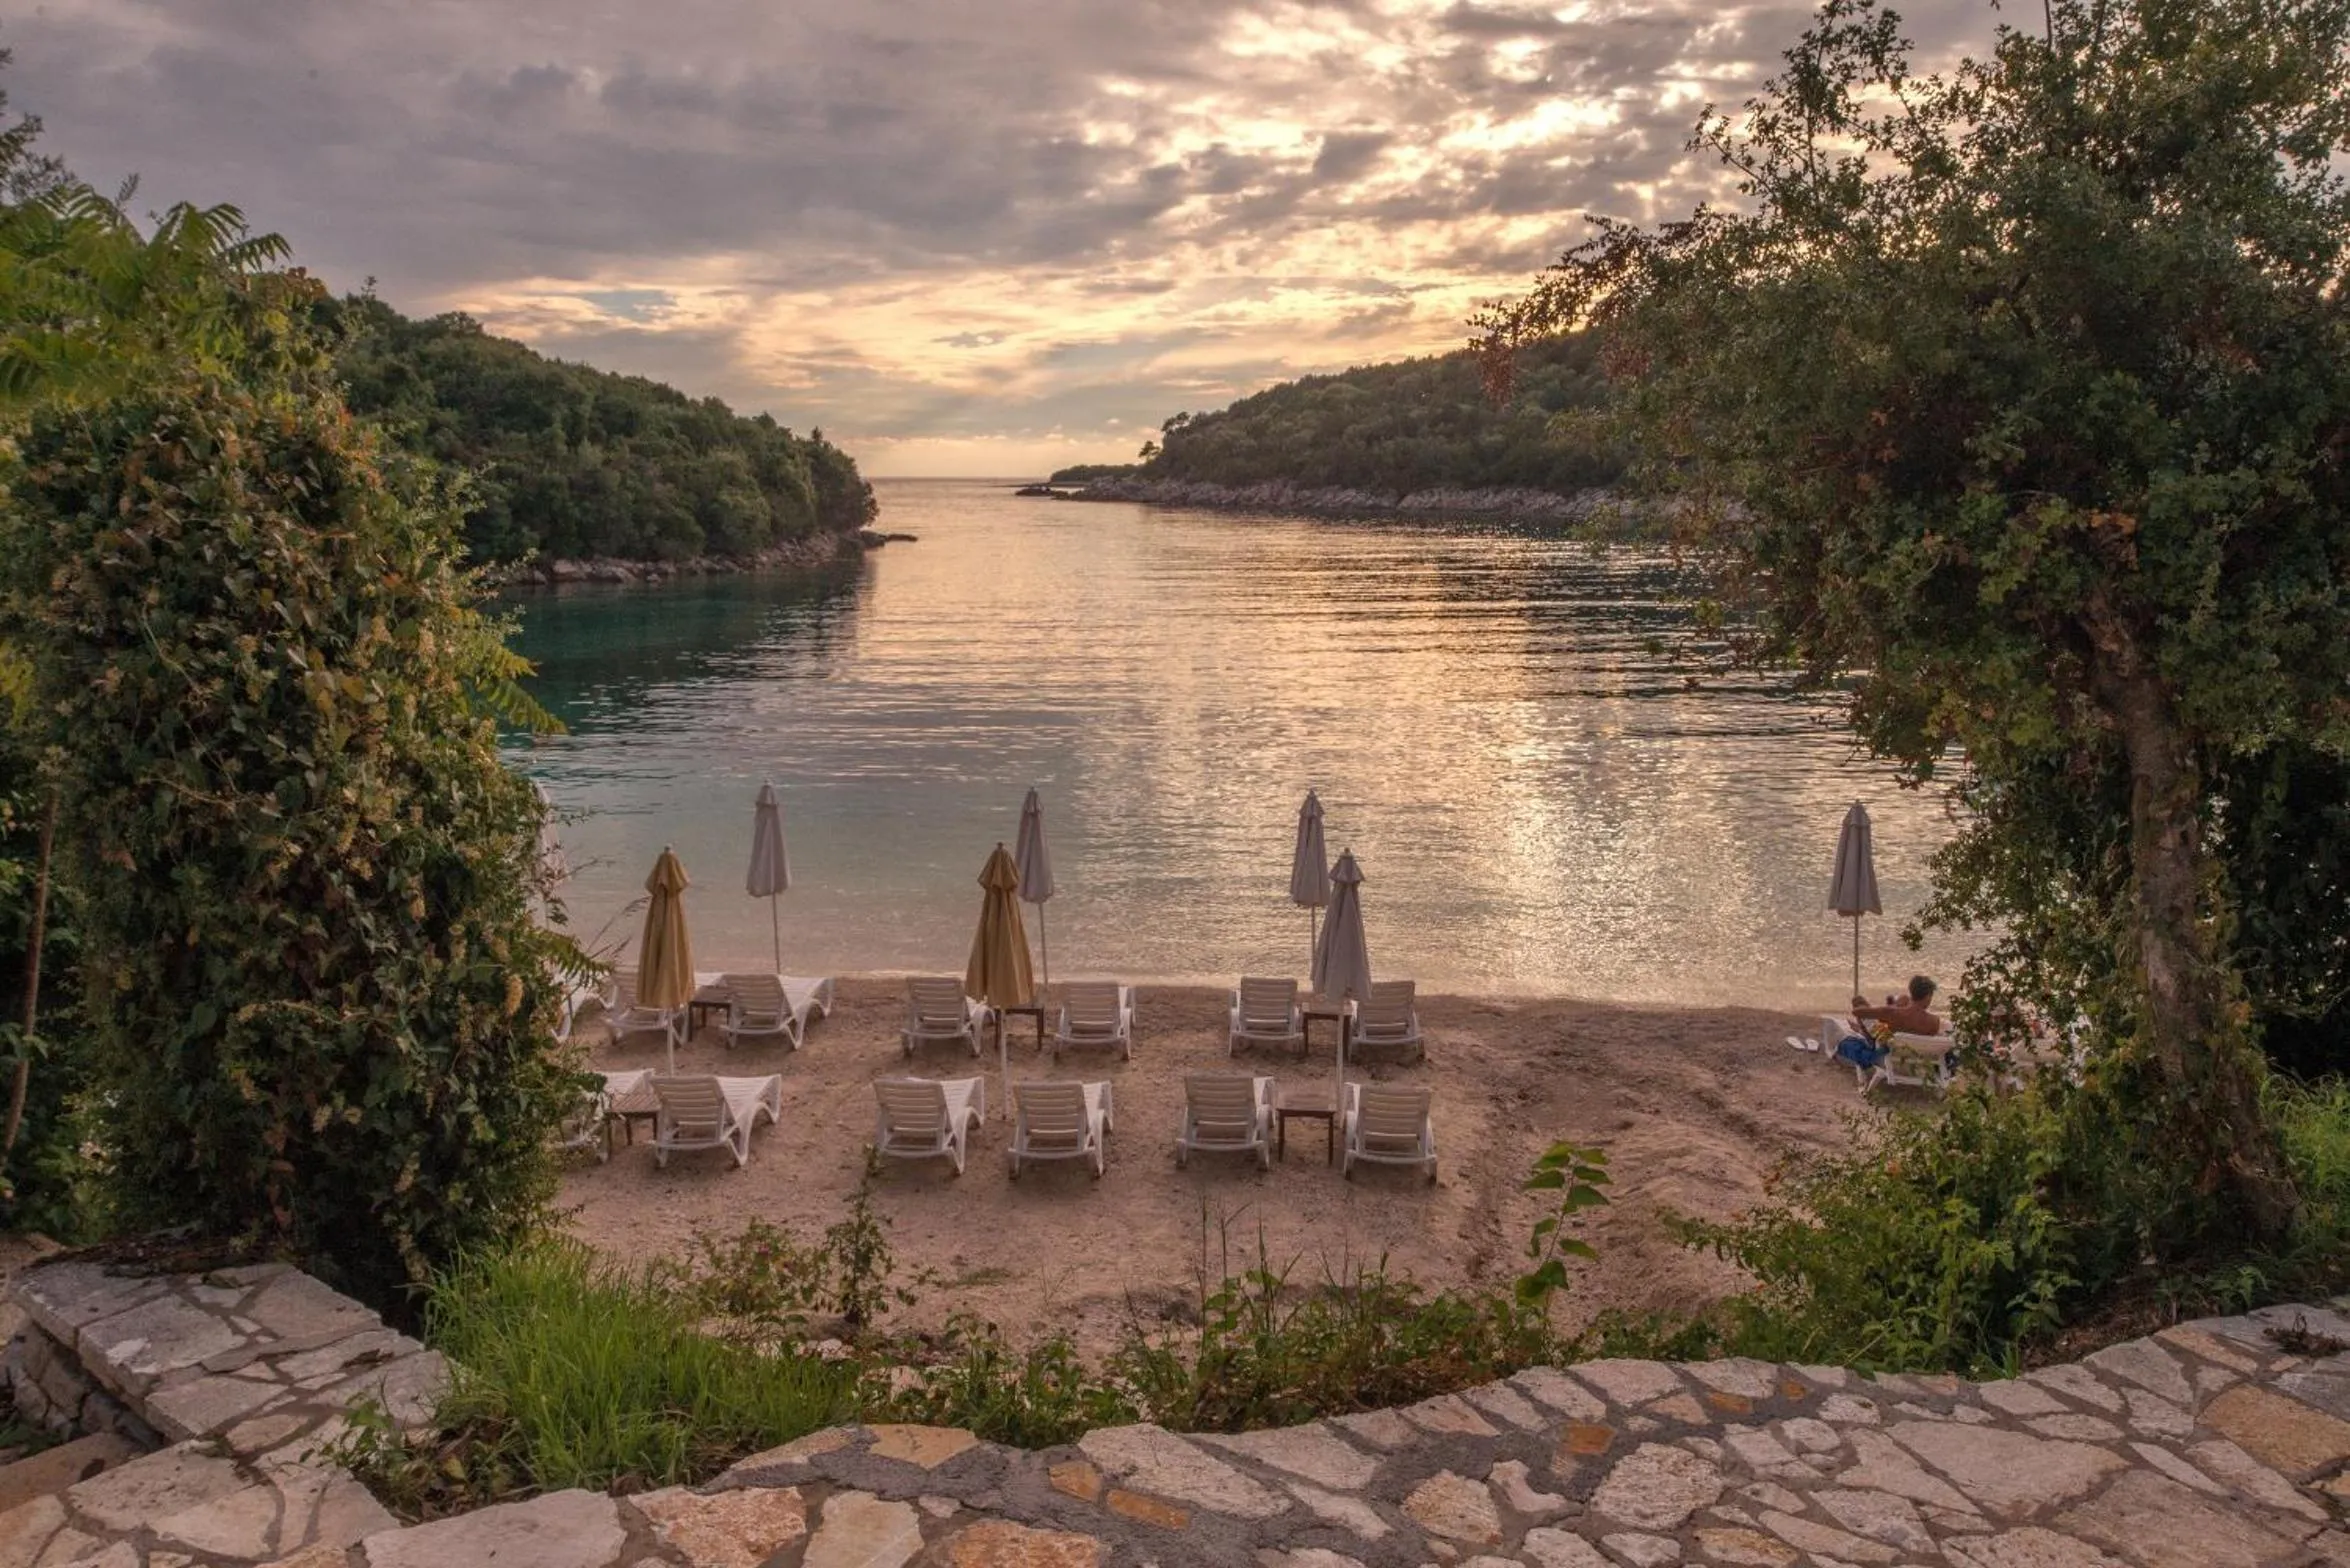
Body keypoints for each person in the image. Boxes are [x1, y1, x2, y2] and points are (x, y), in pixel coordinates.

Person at [1827, 975, 1943, 1074]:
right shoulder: (1934, 1021)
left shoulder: (1893, 1013)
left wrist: (1892, 1008)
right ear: (1928, 996)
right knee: (1902, 1001)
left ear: (1912, 991)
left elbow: (1857, 1012)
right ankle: (1863, 1031)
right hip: (1915, 1062)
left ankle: (1862, 1032)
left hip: (1887, 1056)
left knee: (1858, 1001)